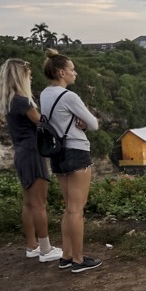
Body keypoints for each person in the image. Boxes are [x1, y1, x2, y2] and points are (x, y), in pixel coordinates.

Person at [0, 58, 62, 262]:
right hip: (33, 153)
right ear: (19, 76)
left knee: (28, 203)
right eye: (28, 74)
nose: (30, 77)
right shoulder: (23, 102)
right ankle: (45, 249)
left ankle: (32, 245)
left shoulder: (9, 100)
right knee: (40, 203)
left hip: (21, 152)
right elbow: (42, 122)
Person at [39, 49, 100, 273]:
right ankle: (78, 259)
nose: (75, 73)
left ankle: (66, 255)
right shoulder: (69, 96)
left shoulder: (45, 94)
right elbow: (93, 124)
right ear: (61, 72)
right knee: (76, 210)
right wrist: (81, 121)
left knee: (68, 208)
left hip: (58, 153)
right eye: (72, 70)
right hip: (76, 151)